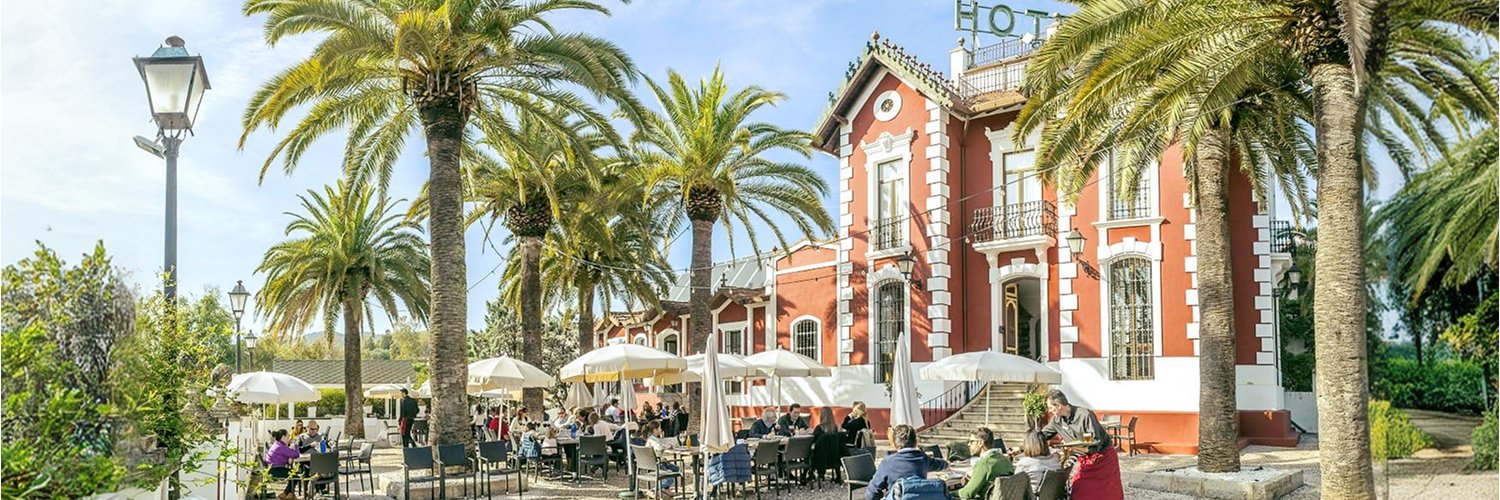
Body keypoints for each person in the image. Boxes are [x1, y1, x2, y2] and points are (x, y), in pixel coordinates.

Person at [1038, 389, 1122, 500]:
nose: (1049, 411)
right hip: (1085, 460)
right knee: (1079, 492)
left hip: (1103, 457)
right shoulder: (1056, 421)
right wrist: (1021, 448)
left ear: (1058, 405)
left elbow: (1095, 444)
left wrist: (1071, 447)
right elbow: (1039, 437)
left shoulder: (1085, 415)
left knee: (1109, 493)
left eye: (1050, 407)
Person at [866, 424, 947, 500]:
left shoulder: (888, 462)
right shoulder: (923, 458)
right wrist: (947, 464)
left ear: (895, 444)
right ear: (915, 442)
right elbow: (941, 464)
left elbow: (871, 493)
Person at [955, 427, 1013, 500]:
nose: (969, 444)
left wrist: (948, 493)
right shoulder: (1004, 459)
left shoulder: (985, 463)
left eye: (971, 441)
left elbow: (968, 493)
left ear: (980, 443)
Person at [642, 420, 680, 491]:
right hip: (656, 465)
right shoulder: (652, 440)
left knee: (676, 469)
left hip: (656, 462)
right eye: (660, 428)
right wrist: (668, 446)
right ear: (655, 430)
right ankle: (654, 490)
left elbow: (658, 449)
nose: (661, 429)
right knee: (670, 479)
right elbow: (659, 447)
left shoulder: (652, 439)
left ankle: (665, 489)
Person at [263, 429, 303, 498]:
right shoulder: (281, 447)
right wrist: (296, 444)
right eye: (288, 436)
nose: (289, 438)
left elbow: (285, 455)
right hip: (274, 470)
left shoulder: (277, 444)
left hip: (272, 468)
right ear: (283, 437)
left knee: (294, 475)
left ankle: (286, 494)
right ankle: (287, 494)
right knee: (295, 476)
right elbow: (296, 454)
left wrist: (289, 454)